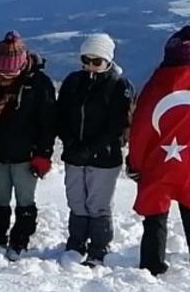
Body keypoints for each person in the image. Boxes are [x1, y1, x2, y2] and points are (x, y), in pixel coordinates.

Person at [129, 26, 190, 276]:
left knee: (155, 217)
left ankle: (152, 265)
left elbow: (141, 126)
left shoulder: (158, 84)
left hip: (159, 162)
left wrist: (135, 163)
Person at [56, 33, 133, 266]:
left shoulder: (119, 86)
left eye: (96, 61)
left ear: (108, 60)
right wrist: (69, 141)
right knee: (77, 200)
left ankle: (99, 246)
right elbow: (60, 114)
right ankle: (77, 241)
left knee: (98, 204)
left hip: (104, 156)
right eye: (85, 60)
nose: (90, 65)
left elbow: (117, 124)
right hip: (74, 154)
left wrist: (90, 148)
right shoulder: (73, 82)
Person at [0, 32, 56, 260]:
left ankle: (20, 240)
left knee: (25, 201)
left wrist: (44, 153)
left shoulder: (39, 84)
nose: (6, 76)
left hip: (26, 156)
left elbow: (48, 123)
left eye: (11, 72)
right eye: (2, 72)